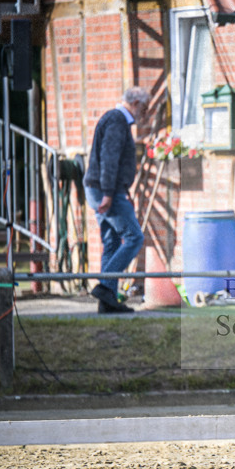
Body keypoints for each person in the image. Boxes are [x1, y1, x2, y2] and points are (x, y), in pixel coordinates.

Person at [83, 86, 150, 313]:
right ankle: (105, 287)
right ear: (137, 104)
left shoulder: (115, 119)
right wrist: (110, 194)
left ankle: (107, 303)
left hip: (102, 188)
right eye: (145, 108)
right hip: (105, 190)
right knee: (134, 237)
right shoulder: (117, 120)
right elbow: (109, 159)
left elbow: (112, 160)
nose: (145, 113)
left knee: (111, 242)